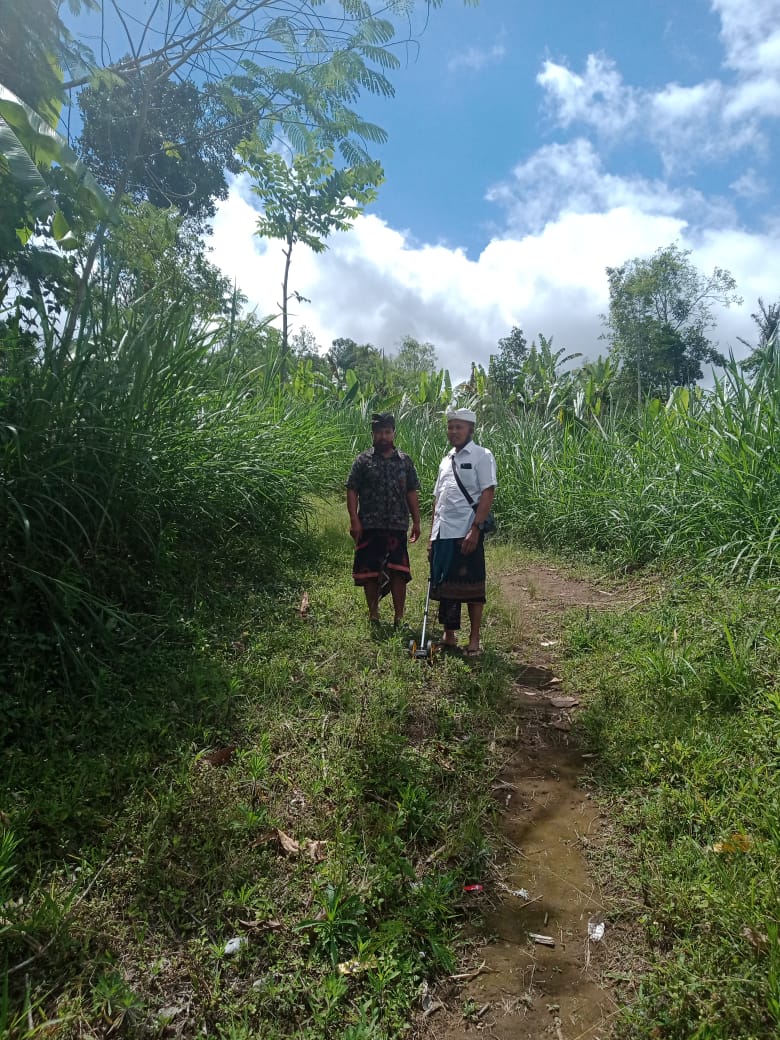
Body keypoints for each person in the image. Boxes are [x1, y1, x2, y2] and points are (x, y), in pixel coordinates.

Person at [428, 408, 497, 657]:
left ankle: (474, 637)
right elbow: (438, 498)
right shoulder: (446, 460)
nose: (454, 432)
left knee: (473, 586)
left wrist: (475, 530)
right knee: (446, 585)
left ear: (471, 430)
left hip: (467, 531)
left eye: (459, 427)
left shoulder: (482, 455)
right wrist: (431, 534)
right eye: (451, 427)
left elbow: (487, 492)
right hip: (443, 531)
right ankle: (449, 634)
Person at [346, 412, 422, 627]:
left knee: (399, 572)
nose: (383, 436)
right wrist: (354, 520)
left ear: (393, 433)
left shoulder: (405, 461)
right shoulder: (362, 461)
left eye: (387, 432)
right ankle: (374, 615)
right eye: (379, 432)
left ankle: (399, 618)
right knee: (370, 573)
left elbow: (411, 492)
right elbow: (352, 490)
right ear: (373, 434)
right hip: (369, 525)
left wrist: (417, 521)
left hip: (397, 525)